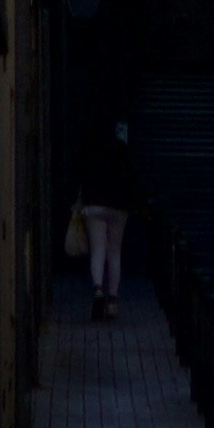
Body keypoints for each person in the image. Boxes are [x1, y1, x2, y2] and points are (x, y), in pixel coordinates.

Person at [75, 108, 135, 318]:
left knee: (98, 249)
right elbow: (130, 176)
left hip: (94, 204)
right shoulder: (121, 148)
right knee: (114, 252)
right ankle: (112, 300)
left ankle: (98, 288)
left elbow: (82, 173)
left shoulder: (90, 149)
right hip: (118, 205)